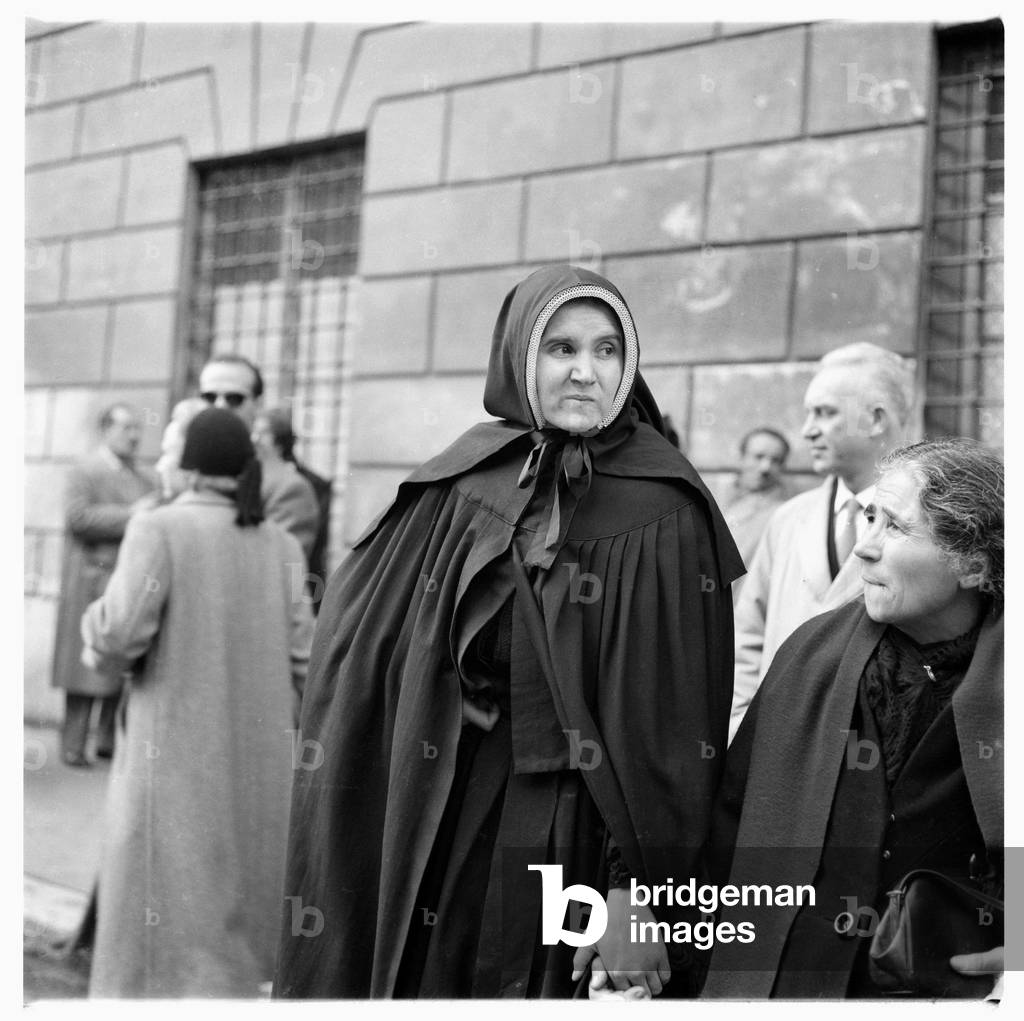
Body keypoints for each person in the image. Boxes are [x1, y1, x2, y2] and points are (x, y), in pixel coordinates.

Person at [273, 264, 743, 999]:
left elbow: (677, 726)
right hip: (454, 807)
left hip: (589, 834)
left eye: (607, 349)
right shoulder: (470, 477)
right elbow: (365, 640)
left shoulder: (665, 506)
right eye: (561, 348)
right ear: (521, 356)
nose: (586, 371)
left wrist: (641, 894)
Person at [702, 438, 1003, 998]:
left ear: (973, 564)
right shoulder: (809, 657)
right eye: (870, 518)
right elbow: (729, 827)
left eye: (894, 527)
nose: (864, 549)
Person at [81, 408, 315, 997]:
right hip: (262, 770)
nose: (159, 463)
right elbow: (307, 661)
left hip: (173, 764)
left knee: (160, 941)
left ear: (188, 466)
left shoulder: (158, 528)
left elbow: (118, 635)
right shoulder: (280, 543)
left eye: (168, 452)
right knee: (237, 944)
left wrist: (92, 626)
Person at [730, 343, 914, 743]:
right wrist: (740, 733)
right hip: (775, 752)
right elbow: (747, 636)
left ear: (876, 419)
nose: (807, 429)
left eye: (826, 413)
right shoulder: (788, 519)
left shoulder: (928, 523)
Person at [51, 403, 156, 767]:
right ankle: (74, 743)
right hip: (90, 577)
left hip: (125, 577)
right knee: (82, 669)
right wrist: (132, 514)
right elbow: (77, 517)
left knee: (117, 659)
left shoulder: (144, 479)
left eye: (137, 428)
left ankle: (108, 741)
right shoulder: (85, 470)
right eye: (127, 427)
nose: (134, 435)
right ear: (106, 429)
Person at [198, 354, 329, 558]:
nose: (220, 407)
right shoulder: (184, 471)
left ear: (257, 405)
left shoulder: (287, 488)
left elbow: (273, 573)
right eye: (209, 397)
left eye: (234, 398)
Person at [722, 427, 791, 602]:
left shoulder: (784, 514)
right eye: (759, 457)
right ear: (742, 458)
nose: (765, 467)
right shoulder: (719, 500)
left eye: (775, 461)